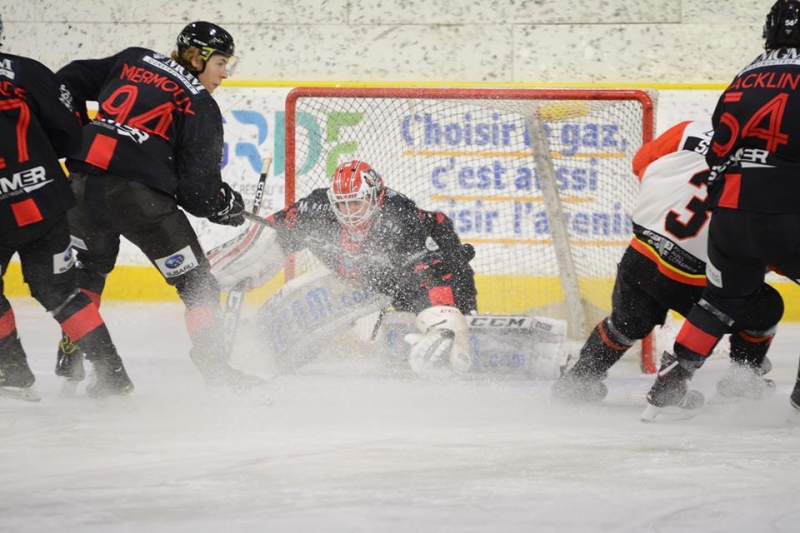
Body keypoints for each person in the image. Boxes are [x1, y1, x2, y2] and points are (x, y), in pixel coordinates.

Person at [55, 21, 264, 392]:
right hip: (138, 200)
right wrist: (224, 205)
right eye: (220, 63)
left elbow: (67, 79)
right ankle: (216, 369)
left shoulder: (134, 59)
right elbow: (198, 192)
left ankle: (74, 352)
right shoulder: (200, 103)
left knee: (87, 273)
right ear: (197, 57)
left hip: (81, 189)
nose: (224, 73)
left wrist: (79, 133)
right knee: (197, 283)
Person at [642, 0, 800, 420]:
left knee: (719, 301)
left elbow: (717, 153)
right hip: (790, 212)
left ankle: (666, 392)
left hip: (730, 213)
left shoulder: (746, 74)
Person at [551, 120, 782, 405]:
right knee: (767, 308)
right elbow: (774, 243)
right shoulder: (784, 165)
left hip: (643, 254)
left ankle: (579, 380)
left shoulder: (691, 129)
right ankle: (741, 381)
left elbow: (642, 164)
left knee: (627, 323)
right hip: (703, 280)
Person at [210, 159, 479, 373]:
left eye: (356, 203)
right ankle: (256, 340)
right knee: (311, 311)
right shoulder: (317, 209)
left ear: (375, 198)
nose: (348, 211)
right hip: (360, 273)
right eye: (342, 204)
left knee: (448, 311)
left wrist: (442, 323)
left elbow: (429, 275)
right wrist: (239, 263)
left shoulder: (400, 219)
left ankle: (455, 331)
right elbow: (274, 231)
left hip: (421, 263)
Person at [0, 16, 133, 400]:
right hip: (45, 202)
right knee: (61, 293)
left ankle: (12, 375)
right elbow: (71, 133)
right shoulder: (27, 70)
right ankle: (114, 379)